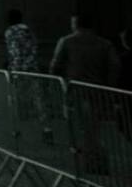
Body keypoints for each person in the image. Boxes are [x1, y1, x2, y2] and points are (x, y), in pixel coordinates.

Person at [51, 15, 122, 173]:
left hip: (75, 89)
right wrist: (109, 85)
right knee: (94, 127)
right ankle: (95, 160)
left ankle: (89, 161)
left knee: (79, 128)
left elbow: (56, 64)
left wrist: (60, 82)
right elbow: (114, 65)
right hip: (97, 89)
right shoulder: (104, 43)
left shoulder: (67, 41)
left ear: (75, 24)